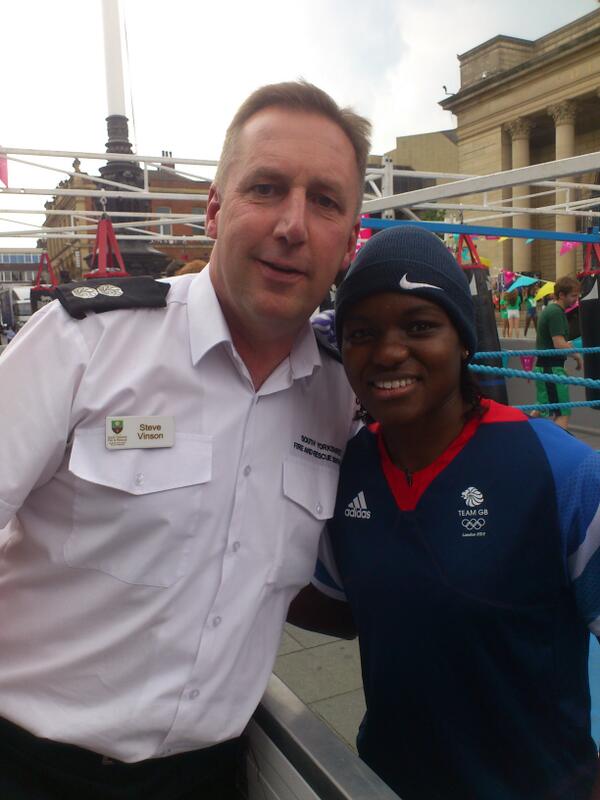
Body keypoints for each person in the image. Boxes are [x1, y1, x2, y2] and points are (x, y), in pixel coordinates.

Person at [0, 80, 371, 799]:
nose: (293, 225)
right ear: (214, 208)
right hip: (28, 766)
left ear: (349, 242)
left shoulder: (341, 397)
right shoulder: (87, 344)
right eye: (266, 188)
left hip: (206, 779)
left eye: (325, 201)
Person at [290, 226, 600, 800]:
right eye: (362, 332)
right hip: (384, 780)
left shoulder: (561, 472)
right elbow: (347, 609)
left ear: (461, 339)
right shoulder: (343, 472)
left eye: (418, 326)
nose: (387, 351)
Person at [534, 275, 582, 430]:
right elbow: (559, 343)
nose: (576, 299)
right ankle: (558, 452)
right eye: (573, 295)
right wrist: (576, 356)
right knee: (562, 412)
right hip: (550, 368)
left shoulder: (553, 310)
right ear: (561, 295)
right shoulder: (556, 312)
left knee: (542, 409)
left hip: (548, 367)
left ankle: (524, 435)